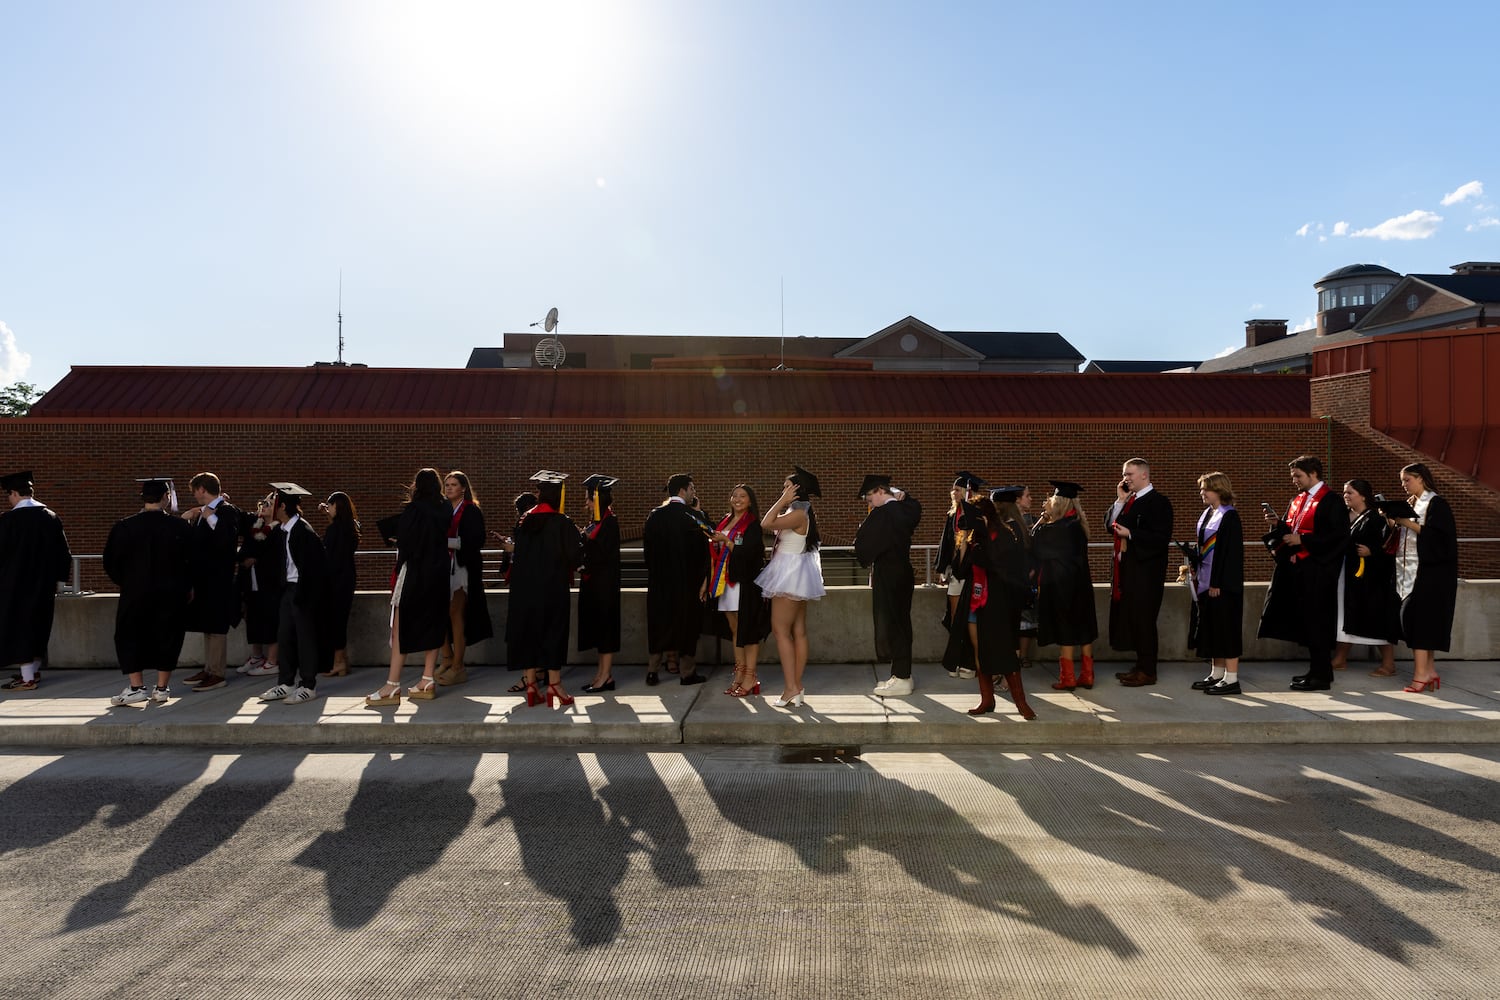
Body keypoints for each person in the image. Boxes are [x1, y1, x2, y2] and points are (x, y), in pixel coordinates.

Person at [1257, 455, 1348, 691]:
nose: (1294, 480)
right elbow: (1293, 528)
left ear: (1313, 474)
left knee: (1318, 624)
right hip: (1299, 570)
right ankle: (1315, 671)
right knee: (1308, 624)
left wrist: (1303, 539)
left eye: (1298, 476)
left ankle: (1322, 676)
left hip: (1319, 571)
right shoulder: (1298, 500)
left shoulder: (1331, 501)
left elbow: (1338, 538)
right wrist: (1278, 525)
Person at [943, 488, 1035, 719]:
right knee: (979, 653)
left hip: (997, 603)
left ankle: (1021, 703)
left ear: (987, 515)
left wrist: (981, 540)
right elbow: (960, 570)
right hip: (973, 603)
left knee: (1004, 652)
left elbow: (998, 565)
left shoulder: (1002, 535)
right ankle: (987, 699)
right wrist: (964, 542)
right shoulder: (972, 537)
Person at [103, 478, 193, 706]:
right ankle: (162, 688)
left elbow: (111, 563)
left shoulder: (124, 527)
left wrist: (127, 582)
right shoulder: (181, 527)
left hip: (135, 592)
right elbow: (193, 561)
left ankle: (136, 687)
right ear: (166, 497)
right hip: (171, 594)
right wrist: (186, 587)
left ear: (143, 499)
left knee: (130, 635)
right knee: (168, 636)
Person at [366, 468, 449, 707]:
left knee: (399, 629)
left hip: (416, 572)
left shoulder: (414, 509)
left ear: (417, 486)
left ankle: (392, 685)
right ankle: (427, 679)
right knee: (434, 625)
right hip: (440, 574)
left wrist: (397, 539)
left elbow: (409, 541)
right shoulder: (444, 509)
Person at [505, 471, 583, 707]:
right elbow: (574, 557)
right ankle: (554, 685)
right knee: (553, 633)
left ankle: (531, 687)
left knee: (529, 633)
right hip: (552, 588)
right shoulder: (562, 522)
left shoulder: (524, 521)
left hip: (524, 589)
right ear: (558, 495)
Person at [756, 466, 826, 708]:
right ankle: (797, 687)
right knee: (798, 631)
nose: (783, 490)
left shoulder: (798, 513)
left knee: (781, 631)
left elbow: (766, 523)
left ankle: (790, 688)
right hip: (795, 575)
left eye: (787, 487)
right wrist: (785, 501)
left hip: (789, 575)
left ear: (797, 490)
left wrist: (781, 500)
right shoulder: (798, 512)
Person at [1384, 462, 1458, 693]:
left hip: (1430, 575)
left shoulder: (1437, 504)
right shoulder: (1412, 503)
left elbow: (1440, 540)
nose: (1403, 484)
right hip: (1409, 574)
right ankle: (1430, 671)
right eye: (1402, 480)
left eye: (1407, 480)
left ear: (1421, 479)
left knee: (1418, 623)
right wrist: (1394, 521)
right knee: (1422, 622)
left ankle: (1421, 675)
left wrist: (1408, 522)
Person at [258, 483, 331, 704]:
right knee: (285, 637)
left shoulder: (303, 532)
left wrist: (304, 595)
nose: (268, 505)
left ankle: (308, 685)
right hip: (289, 590)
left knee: (305, 639)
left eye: (272, 502)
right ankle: (286, 683)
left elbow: (315, 569)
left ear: (282, 507)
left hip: (304, 591)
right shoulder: (282, 531)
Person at [0, 471, 72, 692]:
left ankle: (27, 678)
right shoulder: (49, 516)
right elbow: (63, 552)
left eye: (8, 495)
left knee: (19, 628)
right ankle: (33, 670)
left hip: (15, 585)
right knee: (39, 625)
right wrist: (60, 579)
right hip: (44, 584)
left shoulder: (9, 520)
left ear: (14, 493)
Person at [1106, 459, 1174, 687]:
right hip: (1127, 573)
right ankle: (1140, 665)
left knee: (1145, 621)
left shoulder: (1159, 502)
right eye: (1125, 474)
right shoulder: (1129, 501)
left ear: (1144, 475)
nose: (1125, 478)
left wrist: (1132, 534)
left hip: (1147, 574)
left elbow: (1160, 538)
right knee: (1134, 620)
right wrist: (1119, 500)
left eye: (1129, 474)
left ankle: (1148, 671)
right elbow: (1109, 526)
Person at [855, 474, 923, 696]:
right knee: (902, 622)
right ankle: (901, 673)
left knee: (894, 623)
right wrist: (900, 494)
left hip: (888, 572)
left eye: (869, 497)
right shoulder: (906, 508)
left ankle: (902, 677)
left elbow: (863, 545)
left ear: (879, 491)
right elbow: (915, 507)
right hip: (903, 570)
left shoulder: (882, 514)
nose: (869, 503)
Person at [643, 473, 711, 687]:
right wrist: (701, 513)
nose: (694, 493)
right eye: (692, 488)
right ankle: (686, 673)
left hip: (659, 583)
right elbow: (710, 539)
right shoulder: (692, 516)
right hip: (686, 583)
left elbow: (648, 553)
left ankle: (652, 671)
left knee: (658, 625)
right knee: (687, 626)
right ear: (683, 490)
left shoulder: (654, 516)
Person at [1032, 481, 1097, 690]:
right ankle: (1087, 675)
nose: (1046, 503)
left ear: (1059, 503)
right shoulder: (1077, 525)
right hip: (1081, 584)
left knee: (1066, 627)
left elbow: (1033, 544)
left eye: (1050, 500)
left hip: (1062, 586)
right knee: (1084, 626)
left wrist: (1041, 521)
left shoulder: (1056, 529)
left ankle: (1067, 678)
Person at [181, 472, 242, 692]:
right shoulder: (201, 513)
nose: (195, 495)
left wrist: (210, 517)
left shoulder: (226, 511)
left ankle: (217, 673)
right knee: (207, 624)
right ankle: (209, 668)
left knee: (216, 626)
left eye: (195, 491)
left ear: (202, 490)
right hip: (203, 580)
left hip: (219, 580)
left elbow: (227, 538)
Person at [1332, 479, 1398, 677]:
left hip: (1371, 580)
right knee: (1346, 616)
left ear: (1363, 495)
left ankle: (1389, 664)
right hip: (1350, 575)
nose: (1345, 496)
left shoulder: (1376, 518)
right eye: (1344, 492)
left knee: (1375, 619)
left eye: (1350, 492)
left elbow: (1389, 546)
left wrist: (1372, 552)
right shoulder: (1349, 516)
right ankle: (1340, 658)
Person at [1188, 472, 1244, 695]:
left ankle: (1232, 679)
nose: (1202, 493)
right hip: (1205, 581)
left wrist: (1218, 582)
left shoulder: (1229, 516)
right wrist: (1194, 562)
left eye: (1205, 489)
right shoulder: (1208, 514)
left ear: (1218, 490)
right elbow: (1204, 547)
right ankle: (1217, 673)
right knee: (1212, 630)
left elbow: (1231, 555)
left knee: (1226, 629)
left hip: (1222, 585)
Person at [436, 470, 494, 687]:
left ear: (463, 488)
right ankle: (447, 657)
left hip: (462, 570)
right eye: (446, 484)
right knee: (439, 614)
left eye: (453, 484)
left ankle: (458, 666)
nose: (449, 488)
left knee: (456, 615)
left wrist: (449, 543)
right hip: (443, 568)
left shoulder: (471, 511)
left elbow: (476, 540)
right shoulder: (442, 510)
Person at [709, 483, 766, 698]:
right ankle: (739, 674)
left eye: (743, 496)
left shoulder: (752, 525)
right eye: (734, 495)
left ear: (750, 501)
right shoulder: (724, 520)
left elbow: (752, 554)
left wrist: (726, 541)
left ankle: (751, 677)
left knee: (748, 630)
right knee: (735, 629)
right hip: (724, 582)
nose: (738, 499)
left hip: (744, 583)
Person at [578, 474, 623, 693]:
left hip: (606, 586)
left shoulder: (610, 523)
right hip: (595, 585)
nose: (585, 502)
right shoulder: (597, 522)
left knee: (606, 630)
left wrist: (586, 542)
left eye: (588, 498)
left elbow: (603, 555)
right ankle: (601, 674)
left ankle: (605, 676)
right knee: (599, 630)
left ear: (597, 499)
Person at [234, 492, 282, 680]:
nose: (264, 506)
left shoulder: (278, 529)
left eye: (269, 503)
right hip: (251, 581)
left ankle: (272, 661)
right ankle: (256, 656)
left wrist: (256, 559)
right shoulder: (257, 526)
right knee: (252, 617)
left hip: (269, 582)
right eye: (263, 502)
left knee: (271, 619)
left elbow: (275, 557)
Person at [935, 472, 984, 631]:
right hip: (956, 569)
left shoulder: (976, 515)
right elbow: (945, 542)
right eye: (953, 490)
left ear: (966, 492)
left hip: (972, 568)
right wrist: (943, 567)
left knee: (972, 614)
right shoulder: (952, 515)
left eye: (958, 489)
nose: (953, 493)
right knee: (954, 611)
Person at [319, 491, 360, 677]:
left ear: (337, 506)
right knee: (340, 620)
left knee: (335, 622)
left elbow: (330, 554)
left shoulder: (336, 529)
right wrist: (327, 514)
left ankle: (338, 663)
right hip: (347, 578)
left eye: (330, 505)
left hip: (335, 580)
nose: (328, 508)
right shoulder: (350, 527)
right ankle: (343, 661)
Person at [1015, 484, 1040, 669]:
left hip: (1029, 577)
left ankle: (1023, 656)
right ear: (1017, 500)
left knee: (1027, 618)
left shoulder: (1033, 520)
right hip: (1012, 576)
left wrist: (1033, 569)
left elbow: (1037, 549)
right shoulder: (1007, 521)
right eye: (1027, 496)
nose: (1030, 499)